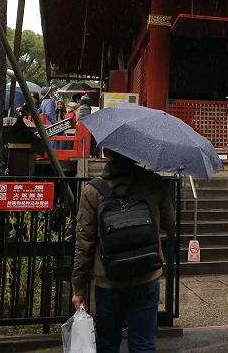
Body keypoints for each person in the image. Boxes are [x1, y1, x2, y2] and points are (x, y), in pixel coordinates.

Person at [72, 150, 174, 353]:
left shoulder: (93, 190)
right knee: (143, 344)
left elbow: (84, 242)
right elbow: (170, 223)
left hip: (108, 280)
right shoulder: (153, 183)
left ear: (107, 153)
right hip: (147, 274)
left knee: (108, 344)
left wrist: (78, 287)